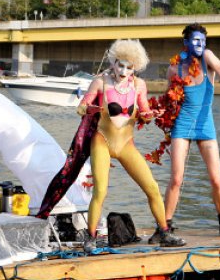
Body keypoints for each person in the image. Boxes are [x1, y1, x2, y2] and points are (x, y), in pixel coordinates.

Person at [76, 39, 185, 253]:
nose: (124, 71)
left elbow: (143, 111)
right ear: (113, 62)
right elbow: (80, 108)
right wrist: (91, 109)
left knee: (152, 187)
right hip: (102, 141)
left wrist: (150, 115)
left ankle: (164, 231)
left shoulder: (139, 86)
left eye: (129, 67)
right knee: (101, 191)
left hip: (126, 143)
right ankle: (90, 237)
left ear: (136, 67)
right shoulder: (101, 82)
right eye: (120, 65)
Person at [151, 23, 220, 240]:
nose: (201, 44)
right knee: (176, 179)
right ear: (186, 42)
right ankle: (164, 227)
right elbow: (170, 101)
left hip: (206, 125)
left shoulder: (208, 58)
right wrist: (156, 112)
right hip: (182, 125)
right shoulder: (173, 69)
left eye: (203, 41)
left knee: (216, 178)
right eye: (196, 40)